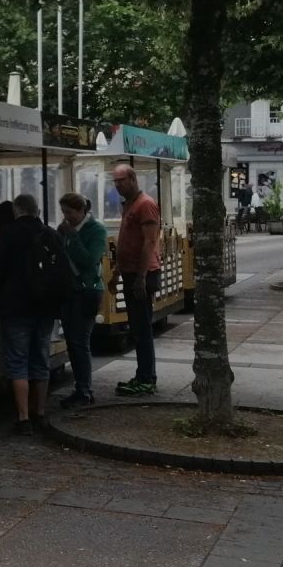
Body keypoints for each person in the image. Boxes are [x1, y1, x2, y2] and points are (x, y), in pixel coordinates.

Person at [0, 194, 68, 434]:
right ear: (37, 210)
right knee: (40, 359)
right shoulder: (51, 234)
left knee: (18, 362)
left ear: (17, 210)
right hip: (45, 309)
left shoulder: (8, 235)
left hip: (16, 308)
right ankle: (40, 414)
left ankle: (23, 419)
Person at [112, 164, 161, 396]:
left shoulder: (145, 205)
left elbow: (149, 242)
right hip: (131, 273)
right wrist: (117, 272)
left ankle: (146, 378)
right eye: (115, 181)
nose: (117, 185)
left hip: (143, 274)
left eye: (120, 180)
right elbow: (126, 243)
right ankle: (144, 375)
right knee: (138, 328)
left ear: (132, 179)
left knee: (142, 328)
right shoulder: (130, 205)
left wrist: (141, 277)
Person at [56, 193, 107, 409]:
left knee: (80, 342)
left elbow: (89, 260)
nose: (66, 217)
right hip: (68, 292)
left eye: (69, 212)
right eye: (64, 212)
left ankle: (85, 390)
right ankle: (80, 388)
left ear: (81, 211)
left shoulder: (96, 230)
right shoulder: (67, 230)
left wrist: (72, 237)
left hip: (86, 292)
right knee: (72, 343)